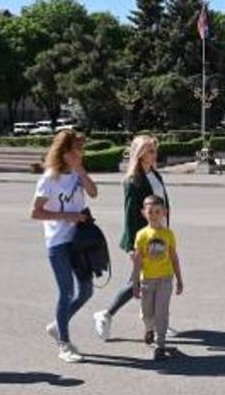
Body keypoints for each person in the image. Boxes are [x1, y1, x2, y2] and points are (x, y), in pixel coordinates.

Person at [93, 135, 170, 341]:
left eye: (155, 149)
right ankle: (106, 315)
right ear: (140, 154)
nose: (155, 153)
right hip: (144, 238)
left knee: (153, 279)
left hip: (159, 234)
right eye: (150, 150)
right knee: (138, 281)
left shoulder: (154, 174)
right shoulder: (133, 181)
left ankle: (152, 321)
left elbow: (162, 204)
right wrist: (133, 247)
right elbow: (130, 216)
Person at [30, 130, 98, 363]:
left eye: (82, 147)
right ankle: (64, 344)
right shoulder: (50, 177)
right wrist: (66, 215)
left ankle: (58, 325)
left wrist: (80, 170)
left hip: (79, 241)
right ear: (65, 151)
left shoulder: (77, 174)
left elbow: (93, 193)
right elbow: (35, 212)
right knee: (66, 291)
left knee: (86, 290)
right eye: (78, 148)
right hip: (58, 243)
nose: (82, 152)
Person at [132, 195, 184, 360]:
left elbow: (174, 257)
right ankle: (149, 329)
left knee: (162, 313)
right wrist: (135, 283)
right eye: (150, 211)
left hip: (165, 279)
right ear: (143, 213)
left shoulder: (168, 234)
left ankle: (161, 344)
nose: (154, 215)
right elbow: (138, 261)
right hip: (147, 280)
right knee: (148, 313)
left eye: (157, 211)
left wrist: (179, 279)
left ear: (164, 213)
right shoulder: (141, 235)